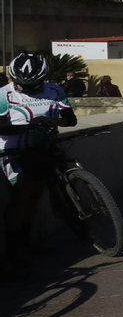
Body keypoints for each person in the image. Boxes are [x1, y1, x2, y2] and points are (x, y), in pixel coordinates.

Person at [0, 54, 77, 278]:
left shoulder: (55, 90)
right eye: (21, 84)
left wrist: (50, 121)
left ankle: (27, 244)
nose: (25, 88)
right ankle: (12, 253)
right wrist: (29, 127)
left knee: (35, 195)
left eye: (32, 84)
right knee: (20, 197)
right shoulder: (4, 94)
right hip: (14, 151)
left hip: (44, 148)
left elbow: (69, 119)